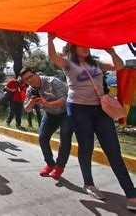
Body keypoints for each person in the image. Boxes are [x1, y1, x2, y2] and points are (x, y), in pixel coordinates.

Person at [48, 33, 136, 211]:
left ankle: (131, 195)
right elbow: (53, 57)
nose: (84, 46)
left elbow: (118, 66)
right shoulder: (68, 63)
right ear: (73, 47)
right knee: (86, 146)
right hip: (79, 109)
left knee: (113, 150)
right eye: (80, 44)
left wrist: (111, 51)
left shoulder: (96, 63)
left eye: (86, 44)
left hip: (100, 109)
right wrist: (50, 39)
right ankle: (89, 184)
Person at [21, 67, 71, 180]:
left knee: (65, 136)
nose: (29, 80)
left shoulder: (52, 81)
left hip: (65, 113)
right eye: (26, 79)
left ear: (36, 73)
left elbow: (66, 99)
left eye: (30, 76)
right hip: (50, 115)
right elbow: (27, 109)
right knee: (42, 138)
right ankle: (50, 164)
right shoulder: (30, 90)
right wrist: (30, 103)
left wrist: (47, 103)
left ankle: (59, 166)